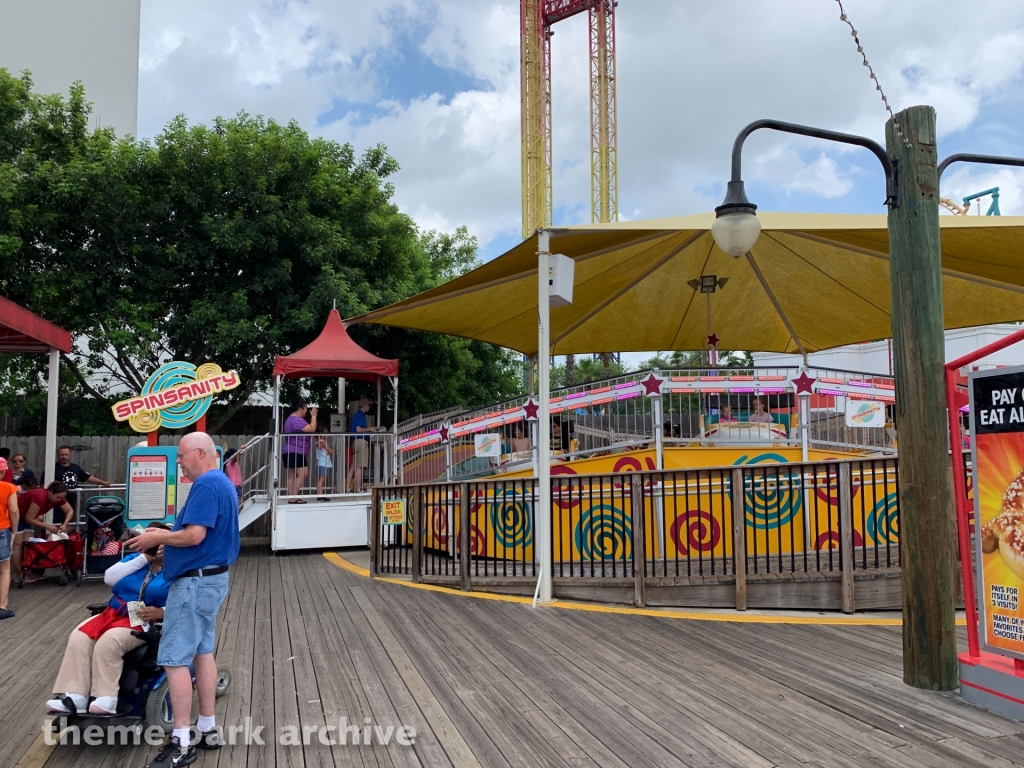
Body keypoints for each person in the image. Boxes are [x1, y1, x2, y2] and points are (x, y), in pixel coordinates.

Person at [128, 432, 239, 766]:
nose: (177, 461)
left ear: (200, 453)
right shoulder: (222, 483)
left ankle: (180, 742)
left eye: (181, 455)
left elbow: (195, 535)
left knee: (175, 659)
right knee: (203, 652)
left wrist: (158, 536)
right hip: (213, 579)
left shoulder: (205, 485)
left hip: (194, 585)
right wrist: (169, 545)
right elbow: (205, 539)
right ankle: (207, 728)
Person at [46, 524, 172, 715]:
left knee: (109, 641)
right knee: (80, 636)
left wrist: (162, 611)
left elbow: (187, 600)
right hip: (114, 613)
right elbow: (110, 578)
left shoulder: (176, 570)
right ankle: (75, 695)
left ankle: (107, 697)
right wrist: (145, 557)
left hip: (145, 621)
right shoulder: (137, 560)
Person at [13, 479, 75, 584]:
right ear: (50, 492)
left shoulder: (57, 498)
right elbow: (29, 518)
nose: (59, 499)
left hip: (28, 517)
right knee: (18, 545)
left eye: (62, 497)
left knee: (28, 544)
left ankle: (27, 572)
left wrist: (64, 524)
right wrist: (48, 526)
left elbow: (69, 510)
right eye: (58, 497)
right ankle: (19, 574)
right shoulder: (40, 497)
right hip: (18, 516)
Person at [53, 445, 112, 526]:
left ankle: (62, 535)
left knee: (72, 524)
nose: (64, 457)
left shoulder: (75, 468)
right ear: (57, 455)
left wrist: (104, 483)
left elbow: (88, 477)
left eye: (66, 455)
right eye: (61, 455)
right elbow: (44, 485)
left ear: (70, 455)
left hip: (72, 502)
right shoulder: (52, 468)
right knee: (54, 522)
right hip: (56, 503)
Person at [281, 400, 317, 502]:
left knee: (293, 474)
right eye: (305, 408)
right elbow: (312, 428)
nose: (306, 411)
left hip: (291, 450)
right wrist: (313, 416)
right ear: (300, 409)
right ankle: (293, 497)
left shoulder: (290, 419)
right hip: (296, 450)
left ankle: (291, 497)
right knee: (303, 473)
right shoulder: (296, 420)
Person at [0, 458, 19, 620]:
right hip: (2, 528)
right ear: (4, 471)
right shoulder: (9, 488)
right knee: (4, 569)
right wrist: (14, 531)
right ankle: (2, 606)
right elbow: (14, 511)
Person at [347, 398, 380, 493]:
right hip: (361, 442)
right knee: (359, 467)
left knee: (353, 466)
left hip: (355, 442)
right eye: (368, 405)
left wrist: (373, 428)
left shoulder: (357, 415)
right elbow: (359, 429)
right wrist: (370, 429)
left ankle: (347, 488)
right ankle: (357, 489)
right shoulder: (360, 415)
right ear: (364, 405)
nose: (369, 407)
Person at [315, 427, 334, 500]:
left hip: (321, 462)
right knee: (321, 479)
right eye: (325, 433)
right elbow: (331, 451)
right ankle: (320, 495)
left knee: (321, 479)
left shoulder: (318, 441)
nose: (326, 434)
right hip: (323, 462)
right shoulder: (322, 442)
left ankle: (320, 494)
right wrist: (331, 449)